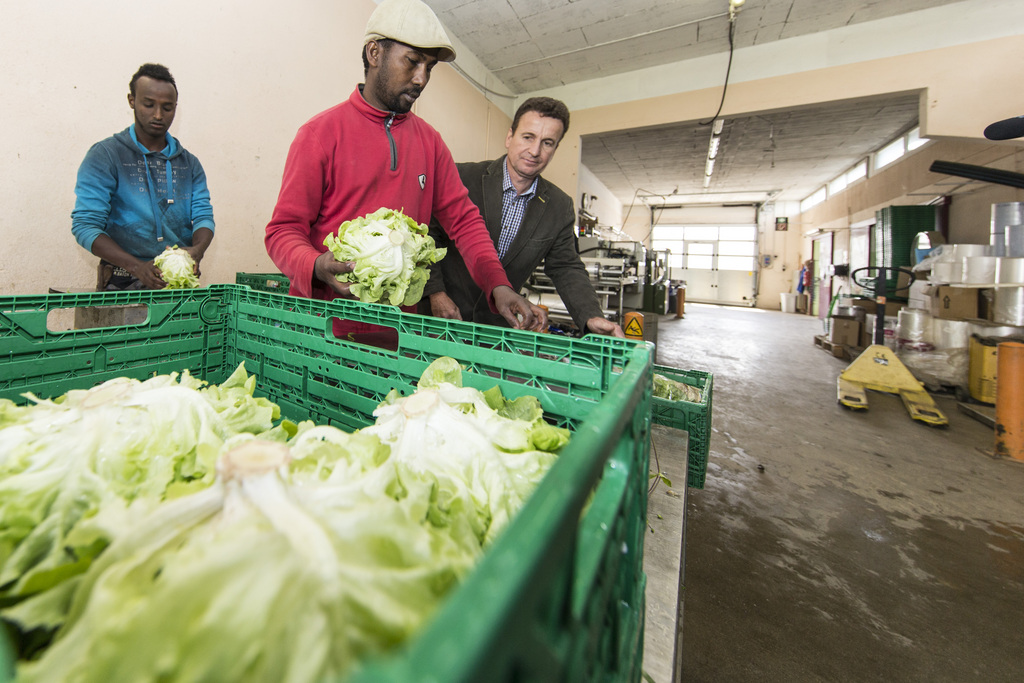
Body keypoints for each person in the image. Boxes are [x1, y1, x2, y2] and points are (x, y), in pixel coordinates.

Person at [264, 0, 538, 345]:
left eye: (429, 67)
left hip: (396, 332)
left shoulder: (430, 142)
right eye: (412, 61)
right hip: (322, 328)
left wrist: (497, 284)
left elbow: (465, 222)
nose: (421, 78)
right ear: (374, 53)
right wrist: (316, 265)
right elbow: (282, 231)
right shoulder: (320, 134)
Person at [422, 97, 625, 338]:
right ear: (510, 137)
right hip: (437, 316)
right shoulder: (462, 177)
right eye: (528, 137)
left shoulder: (559, 207)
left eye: (547, 143)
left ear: (555, 149)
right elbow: (427, 236)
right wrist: (435, 292)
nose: (535, 151)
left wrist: (590, 316)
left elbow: (566, 267)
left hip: (496, 329)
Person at [72, 63, 214, 290]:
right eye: (149, 104)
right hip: (120, 281)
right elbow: (86, 226)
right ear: (132, 100)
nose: (158, 115)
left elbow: (203, 217)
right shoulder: (106, 156)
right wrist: (137, 267)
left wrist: (197, 250)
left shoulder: (189, 164)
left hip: (176, 282)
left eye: (167, 108)